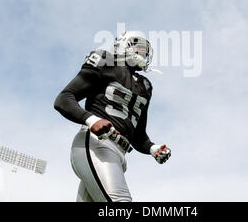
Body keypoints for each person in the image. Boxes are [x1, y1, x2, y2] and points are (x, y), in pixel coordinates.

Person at [54, 31, 171, 202]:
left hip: (120, 155)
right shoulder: (106, 61)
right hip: (97, 143)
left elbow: (138, 136)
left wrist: (153, 148)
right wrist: (92, 119)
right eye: (138, 46)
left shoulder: (145, 86)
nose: (142, 52)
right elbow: (64, 99)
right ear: (123, 45)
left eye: (145, 49)